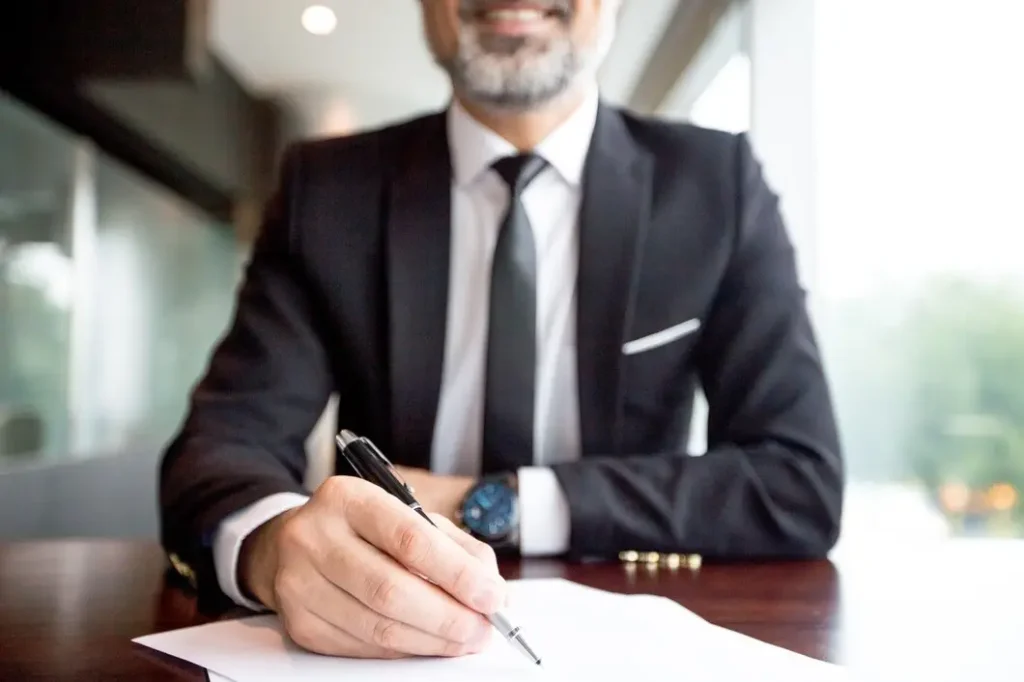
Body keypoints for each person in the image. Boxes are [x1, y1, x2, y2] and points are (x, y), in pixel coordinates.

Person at [160, 0, 843, 662]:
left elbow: (797, 480)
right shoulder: (328, 189)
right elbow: (221, 447)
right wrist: (274, 546)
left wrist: (498, 503)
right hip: (382, 645)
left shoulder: (717, 186)